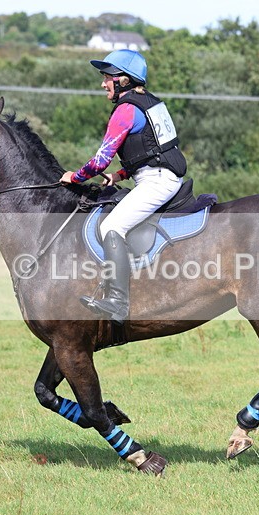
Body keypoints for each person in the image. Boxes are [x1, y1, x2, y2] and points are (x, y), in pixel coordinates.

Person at [60, 49, 187, 324]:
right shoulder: (151, 103)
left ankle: (118, 302)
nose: (103, 83)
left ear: (124, 80)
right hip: (160, 176)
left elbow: (99, 161)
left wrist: (75, 177)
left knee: (111, 226)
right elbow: (152, 149)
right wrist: (120, 175)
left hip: (157, 181)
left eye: (108, 77)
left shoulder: (126, 109)